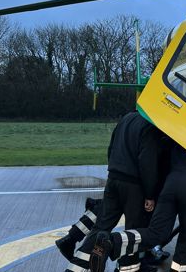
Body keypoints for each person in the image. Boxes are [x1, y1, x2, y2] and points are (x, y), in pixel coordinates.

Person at [65, 111, 171, 272]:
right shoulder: (150, 126)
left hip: (113, 178)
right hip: (134, 185)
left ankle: (76, 268)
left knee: (101, 226)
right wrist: (150, 194)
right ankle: (127, 268)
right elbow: (146, 161)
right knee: (132, 232)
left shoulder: (127, 118)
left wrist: (114, 171)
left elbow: (111, 148)